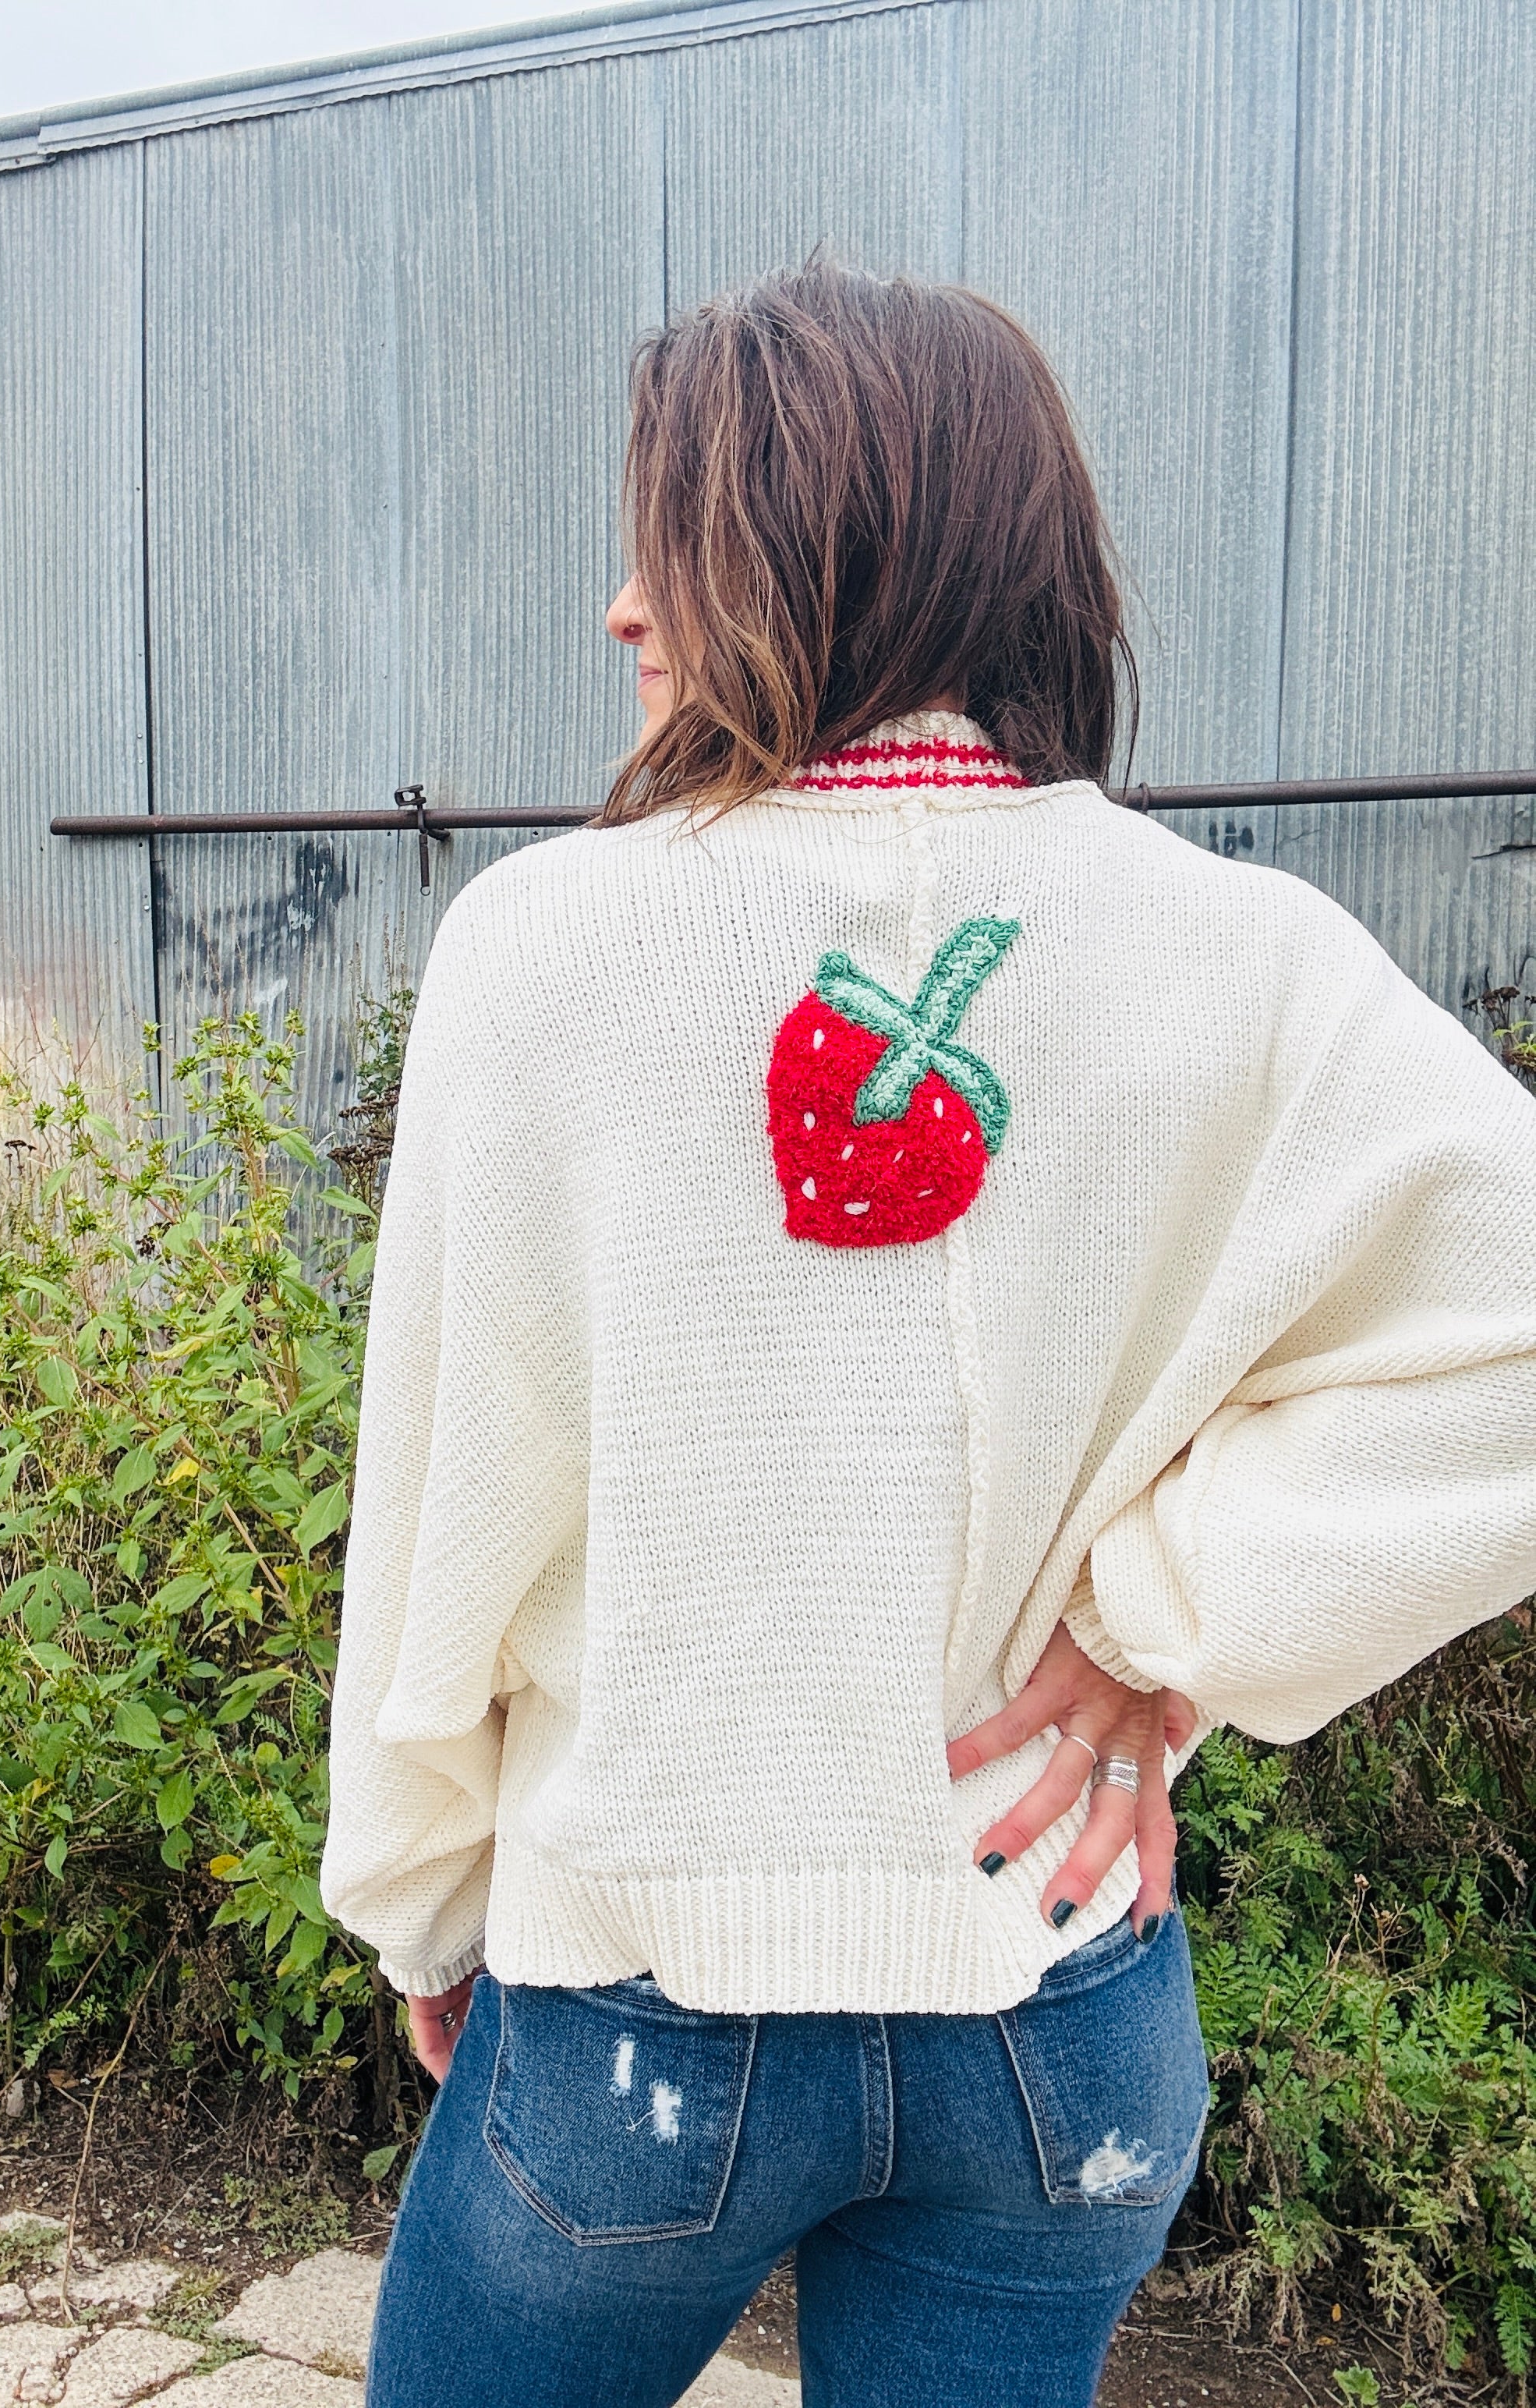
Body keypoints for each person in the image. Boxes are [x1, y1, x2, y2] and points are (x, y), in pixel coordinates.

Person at [319, 264, 1536, 2407]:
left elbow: (447, 1490)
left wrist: (425, 1906)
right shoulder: (1243, 956)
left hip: (640, 2002)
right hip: (1053, 2016)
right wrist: (1167, 1625)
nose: (621, 607)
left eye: (665, 537)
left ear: (807, 545)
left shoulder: (544, 944)